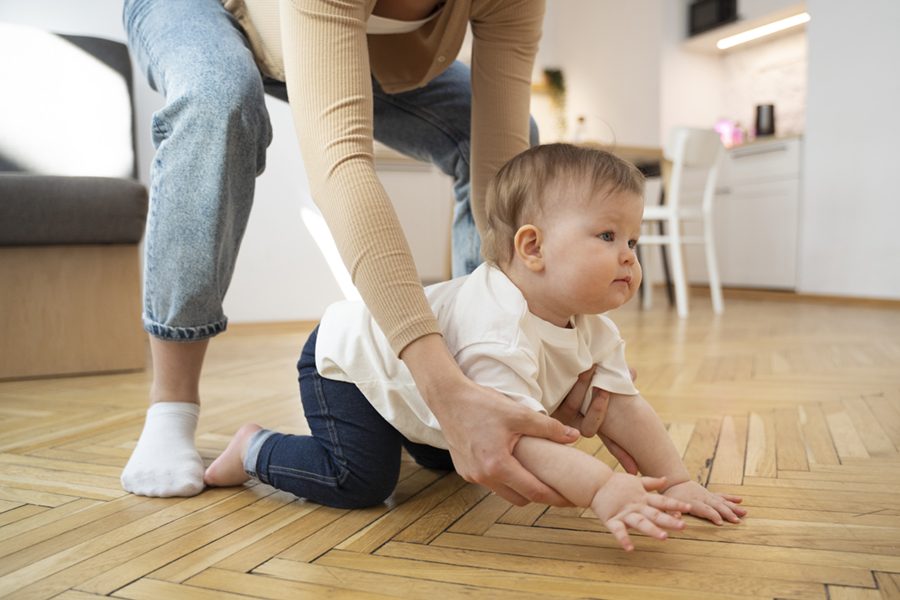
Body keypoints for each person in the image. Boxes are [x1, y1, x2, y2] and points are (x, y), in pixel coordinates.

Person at [120, 0, 608, 502]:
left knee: (504, 153)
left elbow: (502, 169)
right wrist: (440, 387)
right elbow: (341, 166)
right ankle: (171, 405)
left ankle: (474, 366)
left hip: (344, 41)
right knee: (216, 96)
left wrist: (527, 341)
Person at [204, 144, 746, 549]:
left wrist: (677, 480)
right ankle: (253, 448)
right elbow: (517, 439)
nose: (629, 255)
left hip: (412, 384)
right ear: (532, 247)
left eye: (633, 239)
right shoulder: (497, 325)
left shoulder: (592, 326)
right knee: (361, 481)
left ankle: (400, 428)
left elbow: (623, 408)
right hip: (348, 360)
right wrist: (604, 488)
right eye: (608, 236)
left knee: (454, 464)